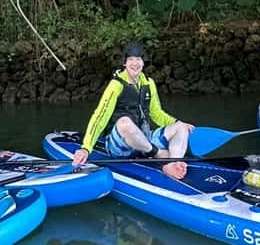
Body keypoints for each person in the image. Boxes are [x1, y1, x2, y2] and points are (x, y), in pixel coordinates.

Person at [72, 42, 194, 180]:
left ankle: (173, 163)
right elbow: (99, 117)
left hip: (143, 140)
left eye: (138, 59)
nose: (135, 63)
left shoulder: (149, 83)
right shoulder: (116, 86)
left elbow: (156, 113)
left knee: (181, 127)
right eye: (130, 59)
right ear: (124, 63)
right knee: (124, 122)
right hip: (120, 145)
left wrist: (177, 122)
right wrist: (86, 148)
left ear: (143, 62)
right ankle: (159, 154)